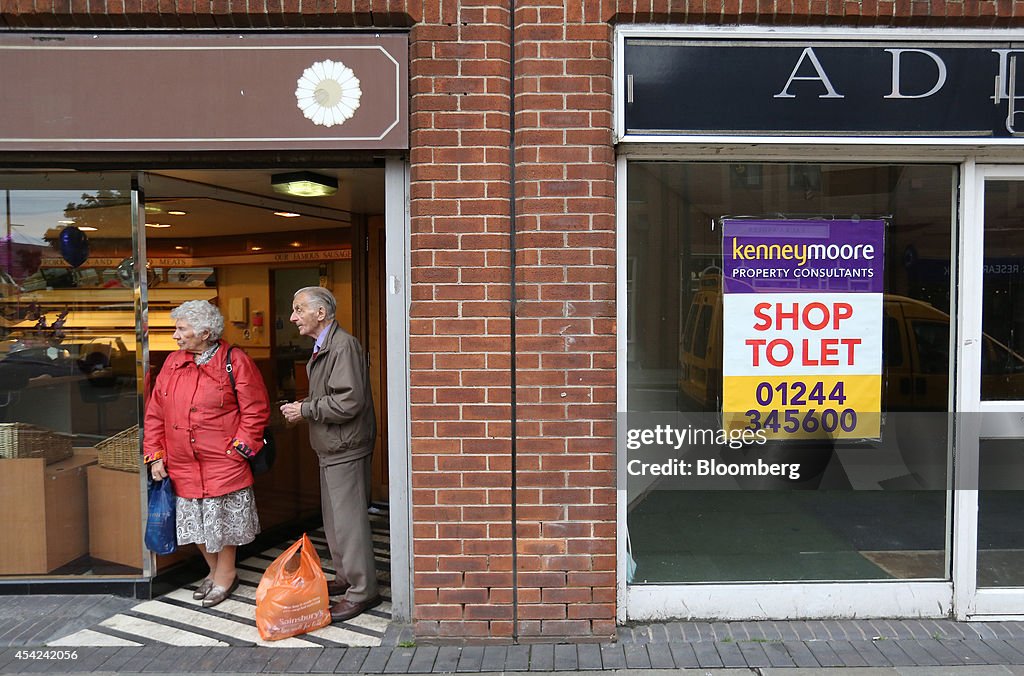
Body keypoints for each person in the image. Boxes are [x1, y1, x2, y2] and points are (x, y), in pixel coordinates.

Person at [144, 300, 270, 608]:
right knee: (194, 523)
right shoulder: (173, 363)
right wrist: (155, 454)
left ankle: (225, 574)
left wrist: (239, 449)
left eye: (181, 329)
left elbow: (255, 409)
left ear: (204, 332)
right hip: (182, 461)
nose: (175, 335)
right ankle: (214, 572)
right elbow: (155, 413)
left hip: (223, 460)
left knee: (221, 522)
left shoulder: (234, 360)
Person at [280, 286, 379, 622]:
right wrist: (306, 410)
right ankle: (347, 578)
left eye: (298, 309)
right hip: (333, 445)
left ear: (320, 313)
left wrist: (305, 410)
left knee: (349, 524)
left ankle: (362, 592)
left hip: (345, 446)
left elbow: (350, 401)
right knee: (336, 522)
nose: (293, 317)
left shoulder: (343, 345)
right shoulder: (326, 346)